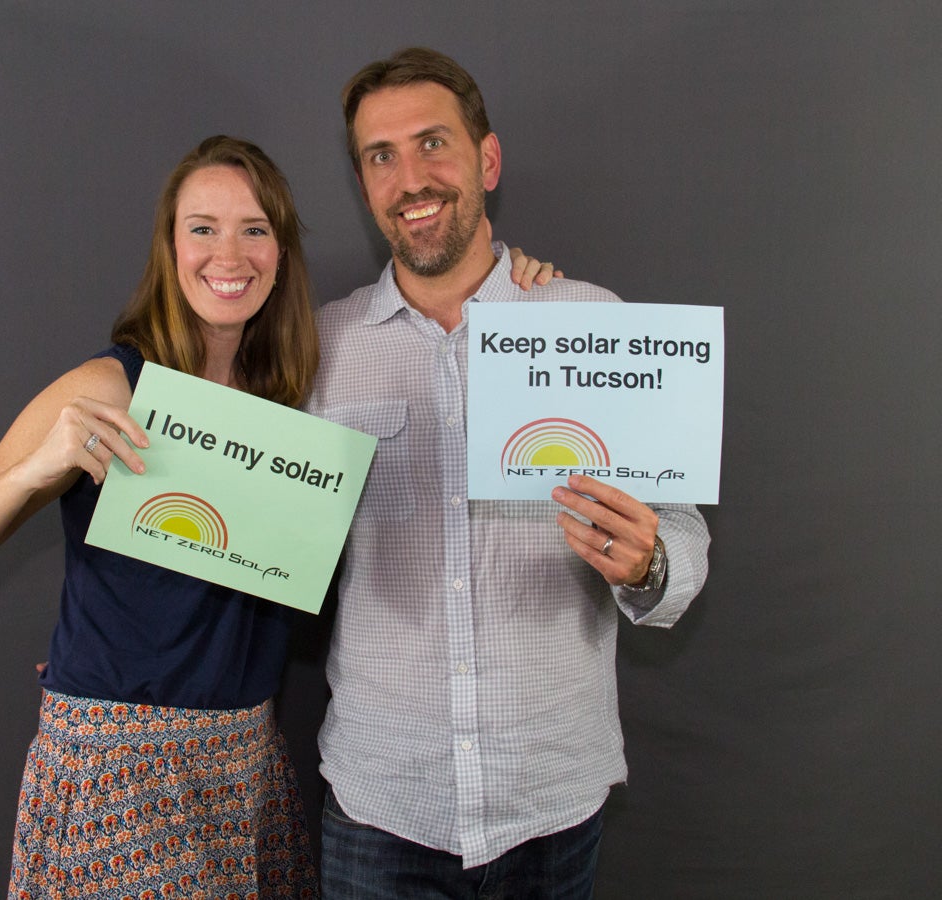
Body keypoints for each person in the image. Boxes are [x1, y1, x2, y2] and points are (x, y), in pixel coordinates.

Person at [0, 134, 553, 900]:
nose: (229, 255)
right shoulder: (113, 386)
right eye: (203, 228)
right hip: (122, 778)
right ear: (170, 247)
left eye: (254, 229)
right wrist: (37, 466)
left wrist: (511, 281)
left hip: (245, 770)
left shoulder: (293, 400)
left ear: (280, 253)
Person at [305, 48, 711, 898]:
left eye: (432, 144)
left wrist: (649, 564)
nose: (410, 179)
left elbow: (681, 532)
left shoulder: (590, 321)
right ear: (363, 183)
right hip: (383, 806)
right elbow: (256, 538)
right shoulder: (319, 350)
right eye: (381, 156)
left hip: (549, 805)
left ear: (487, 160)